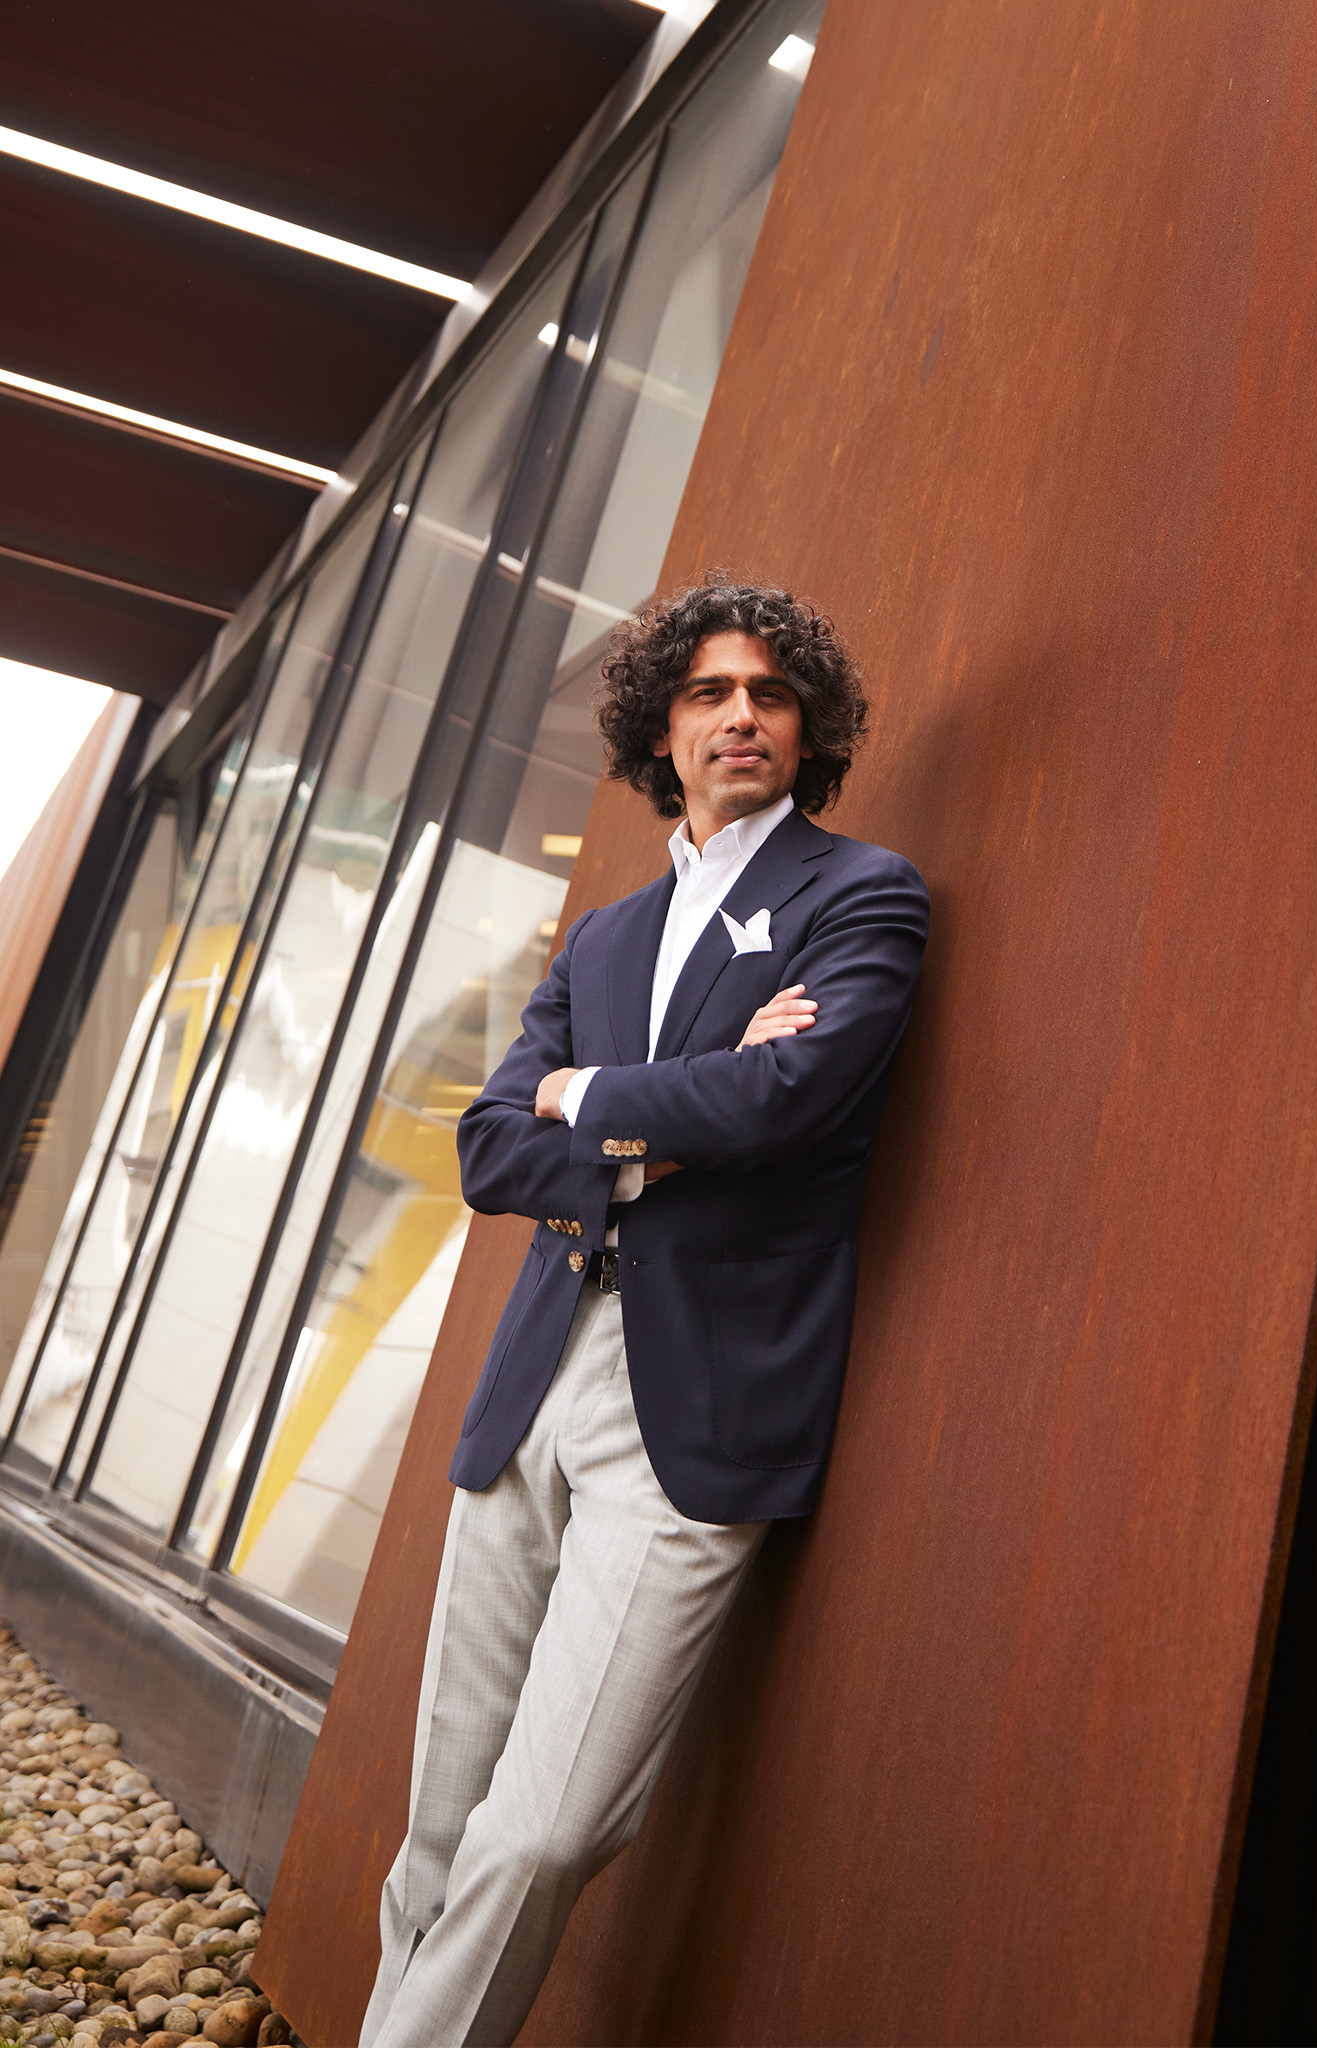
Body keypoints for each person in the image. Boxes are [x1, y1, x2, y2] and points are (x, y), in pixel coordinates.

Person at [361, 579, 930, 2046]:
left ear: (809, 731)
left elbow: (786, 1097)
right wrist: (656, 1123)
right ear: (659, 731)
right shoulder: (603, 939)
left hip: (695, 1412)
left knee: (544, 1831)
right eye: (707, 692)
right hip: (534, 1383)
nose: (741, 714)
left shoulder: (860, 895)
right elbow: (490, 1148)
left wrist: (589, 1101)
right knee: (439, 1829)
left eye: (770, 695)